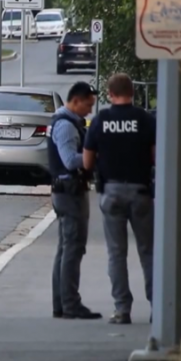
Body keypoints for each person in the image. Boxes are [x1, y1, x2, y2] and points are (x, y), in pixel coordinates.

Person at [82, 73, 156, 324]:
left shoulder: (101, 120)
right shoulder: (145, 119)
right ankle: (158, 307)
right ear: (132, 92)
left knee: (116, 253)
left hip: (111, 191)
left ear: (110, 94)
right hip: (140, 191)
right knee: (148, 252)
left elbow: (87, 160)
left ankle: (122, 309)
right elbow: (155, 156)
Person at [49, 81, 101, 320]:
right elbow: (70, 160)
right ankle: (70, 303)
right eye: (88, 105)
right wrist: (95, 157)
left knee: (66, 248)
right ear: (76, 101)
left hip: (67, 191)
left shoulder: (68, 122)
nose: (90, 110)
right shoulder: (66, 126)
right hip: (69, 192)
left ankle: (62, 303)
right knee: (72, 248)